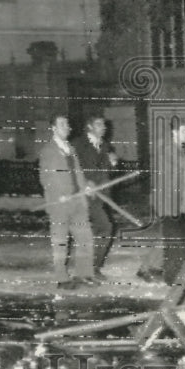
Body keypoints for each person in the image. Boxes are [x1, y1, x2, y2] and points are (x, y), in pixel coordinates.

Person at [38, 114, 96, 288]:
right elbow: (46, 178)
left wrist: (85, 186)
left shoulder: (70, 148)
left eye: (67, 124)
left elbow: (77, 172)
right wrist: (59, 195)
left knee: (85, 238)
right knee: (61, 242)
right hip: (59, 204)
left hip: (77, 200)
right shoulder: (48, 151)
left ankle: (84, 274)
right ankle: (61, 278)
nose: (66, 127)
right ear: (53, 128)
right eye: (62, 124)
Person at [136, 117, 185, 282]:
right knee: (171, 237)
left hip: (175, 199)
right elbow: (183, 164)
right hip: (166, 199)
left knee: (166, 236)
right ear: (174, 132)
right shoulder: (168, 147)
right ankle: (153, 270)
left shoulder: (177, 147)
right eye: (184, 131)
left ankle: (150, 268)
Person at [77, 116, 118, 277]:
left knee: (102, 229)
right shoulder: (78, 144)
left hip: (100, 195)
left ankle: (92, 267)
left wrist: (113, 163)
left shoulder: (106, 146)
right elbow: (72, 168)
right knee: (102, 227)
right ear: (89, 126)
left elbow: (106, 171)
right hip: (82, 195)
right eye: (99, 124)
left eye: (104, 124)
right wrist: (85, 183)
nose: (103, 127)